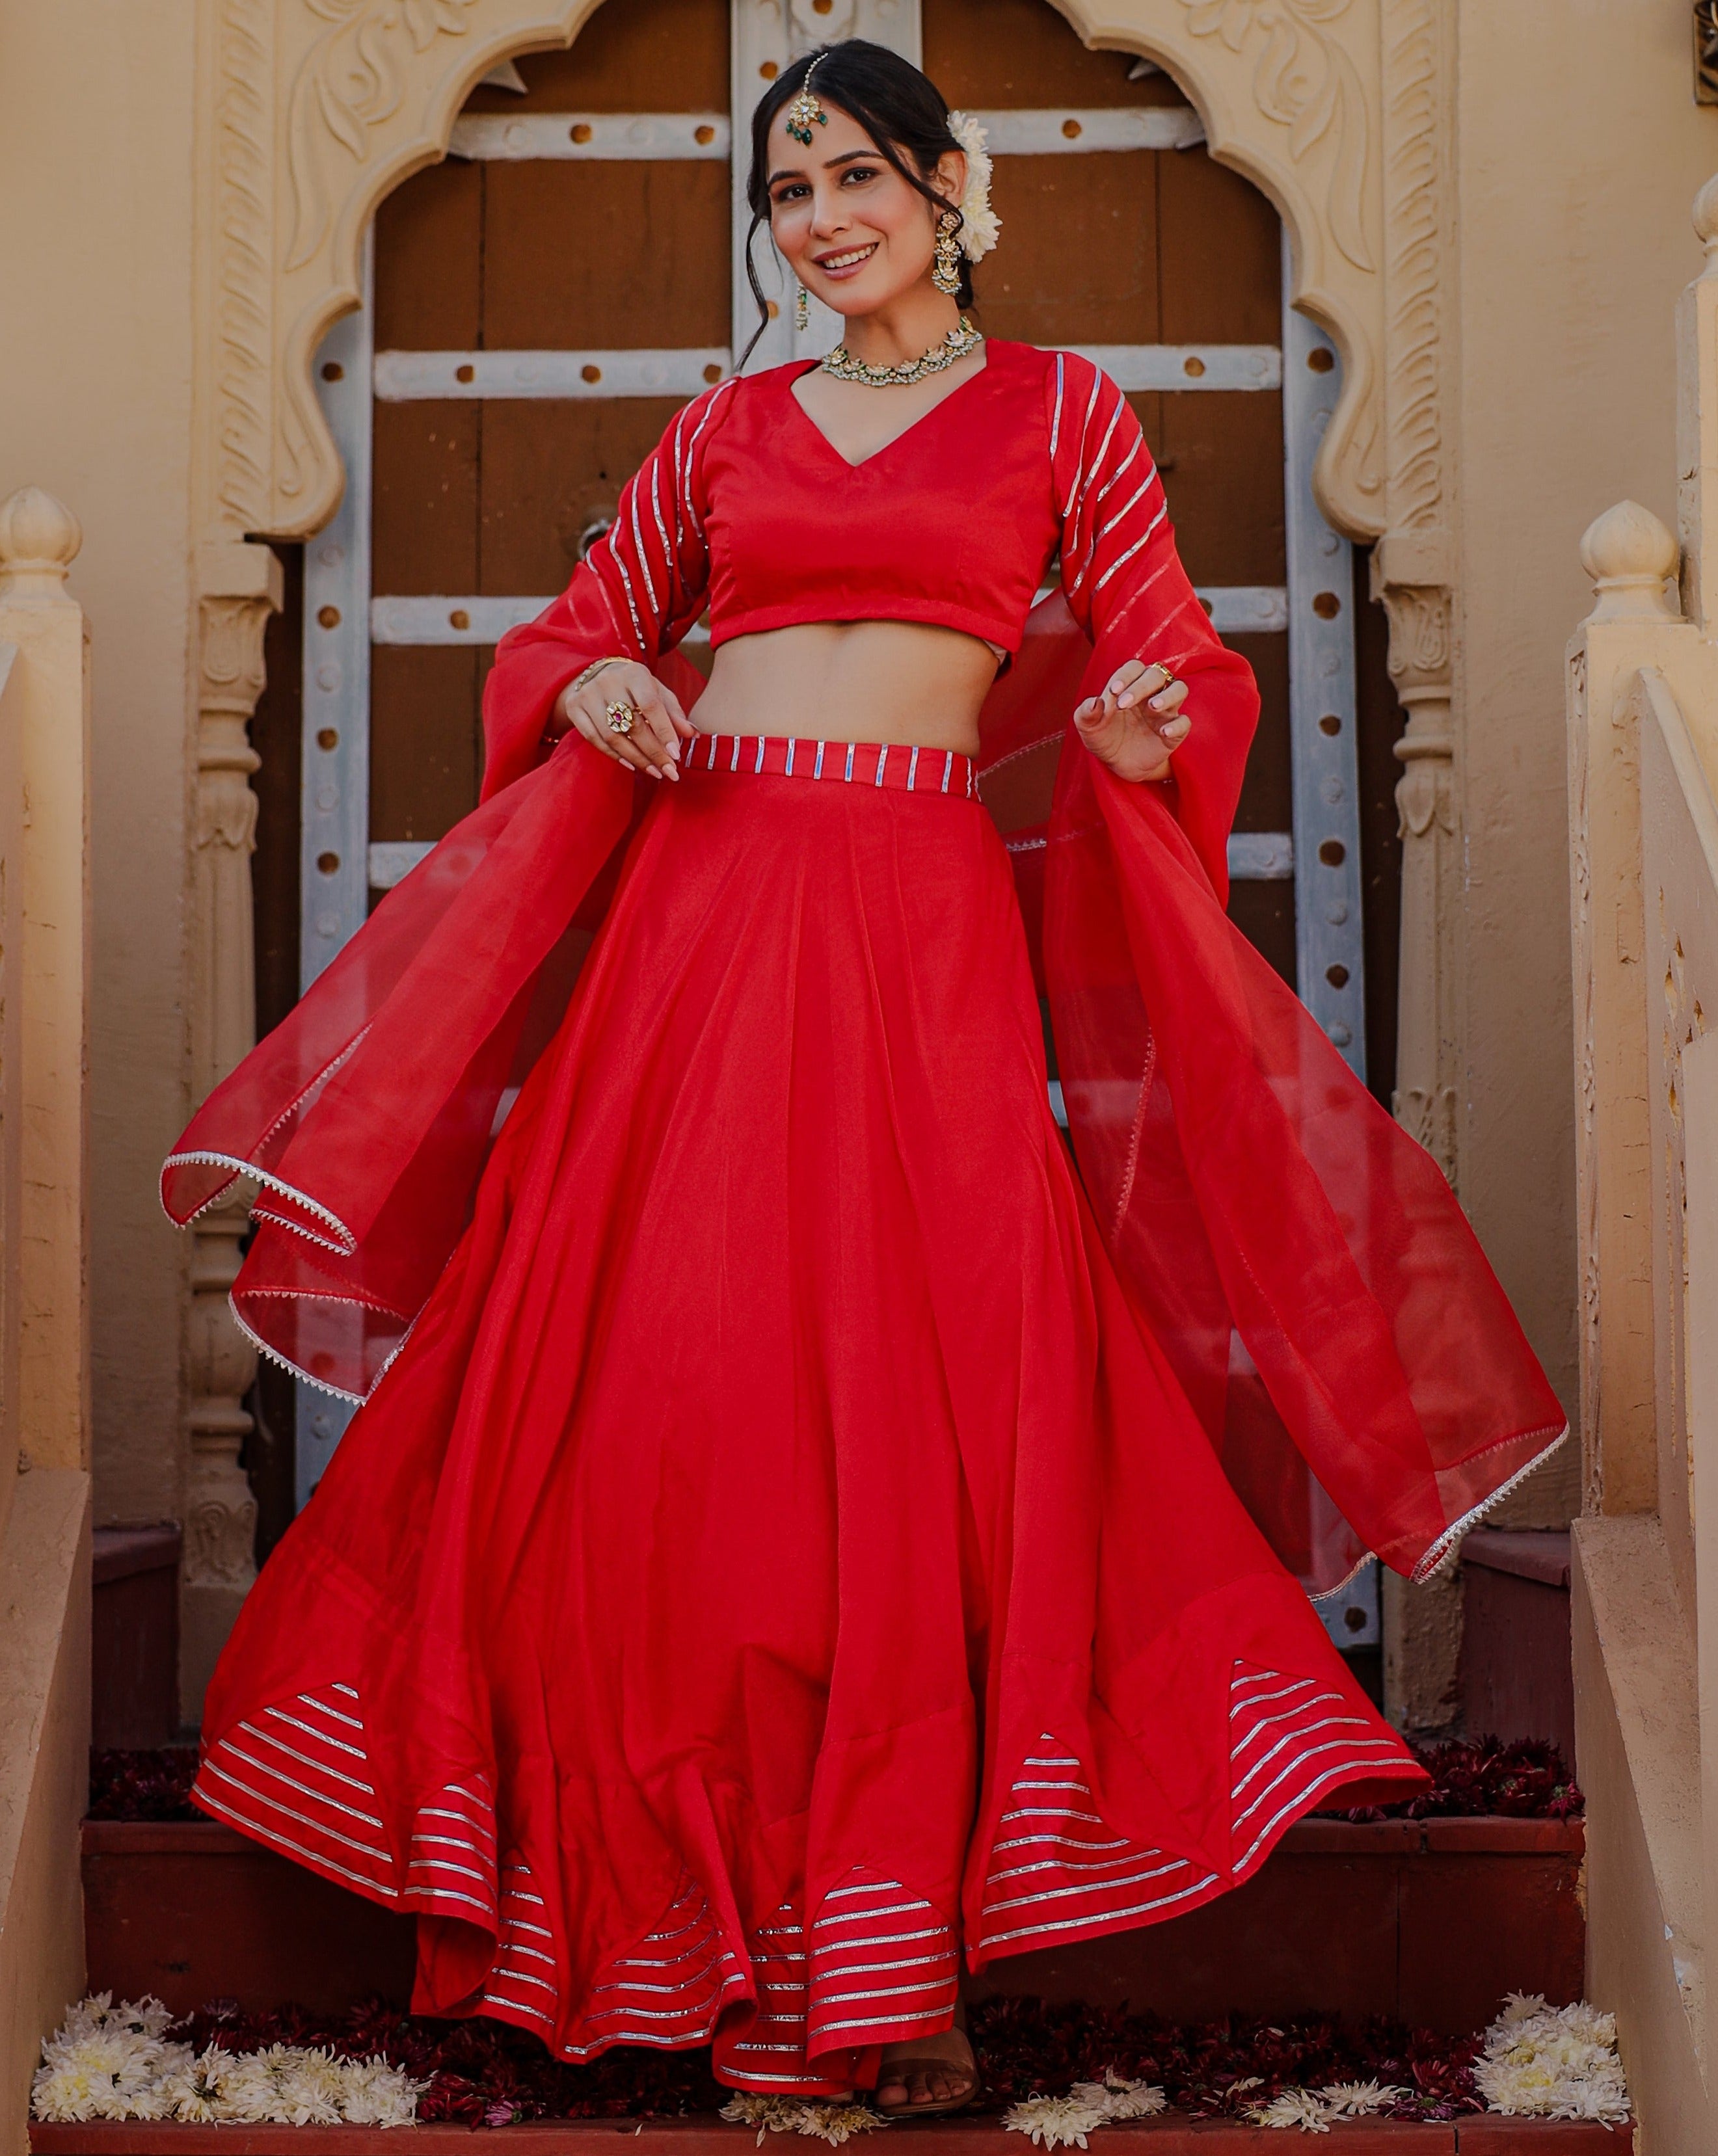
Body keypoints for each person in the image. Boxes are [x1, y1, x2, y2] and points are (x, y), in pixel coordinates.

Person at [162, 40, 1566, 2117]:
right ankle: (661, 1935)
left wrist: (1140, 732)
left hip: (913, 934)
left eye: (852, 177)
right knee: (681, 1394)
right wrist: (617, 676)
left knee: (908, 1415)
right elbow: (569, 640)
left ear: (948, 183)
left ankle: (890, 1972)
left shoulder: (1060, 411)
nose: (820, 219)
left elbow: (1168, 662)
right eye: (789, 189)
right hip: (704, 926)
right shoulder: (723, 430)